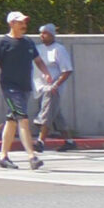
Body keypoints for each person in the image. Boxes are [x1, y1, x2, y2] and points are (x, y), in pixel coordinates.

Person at [0, 10, 43, 169]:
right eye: (20, 23)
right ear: (12, 24)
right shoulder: (2, 43)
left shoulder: (28, 43)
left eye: (25, 23)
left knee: (11, 121)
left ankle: (3, 157)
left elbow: (38, 61)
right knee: (22, 119)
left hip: (25, 87)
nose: (24, 25)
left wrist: (46, 74)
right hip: (10, 89)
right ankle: (32, 157)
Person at [34, 22, 75, 153]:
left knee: (46, 113)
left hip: (53, 89)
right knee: (56, 115)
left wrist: (55, 85)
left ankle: (40, 141)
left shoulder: (59, 49)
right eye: (41, 33)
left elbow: (67, 70)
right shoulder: (38, 48)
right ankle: (69, 142)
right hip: (40, 87)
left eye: (45, 33)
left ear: (52, 35)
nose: (42, 35)